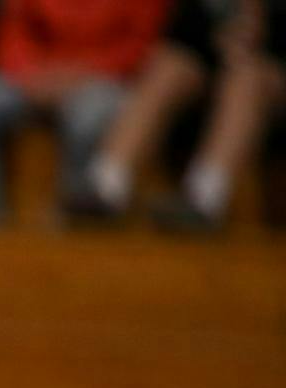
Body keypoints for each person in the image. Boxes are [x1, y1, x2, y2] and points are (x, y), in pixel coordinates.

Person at [0, 0, 175, 226]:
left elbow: (143, 44)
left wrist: (81, 75)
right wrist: (28, 72)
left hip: (108, 79)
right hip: (34, 74)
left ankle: (77, 226)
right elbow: (11, 28)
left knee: (89, 115)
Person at [73, 0, 286, 230]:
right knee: (169, 65)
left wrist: (256, 43)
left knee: (246, 81)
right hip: (212, 67)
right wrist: (222, 42)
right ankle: (106, 184)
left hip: (267, 73)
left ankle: (205, 196)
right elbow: (183, 33)